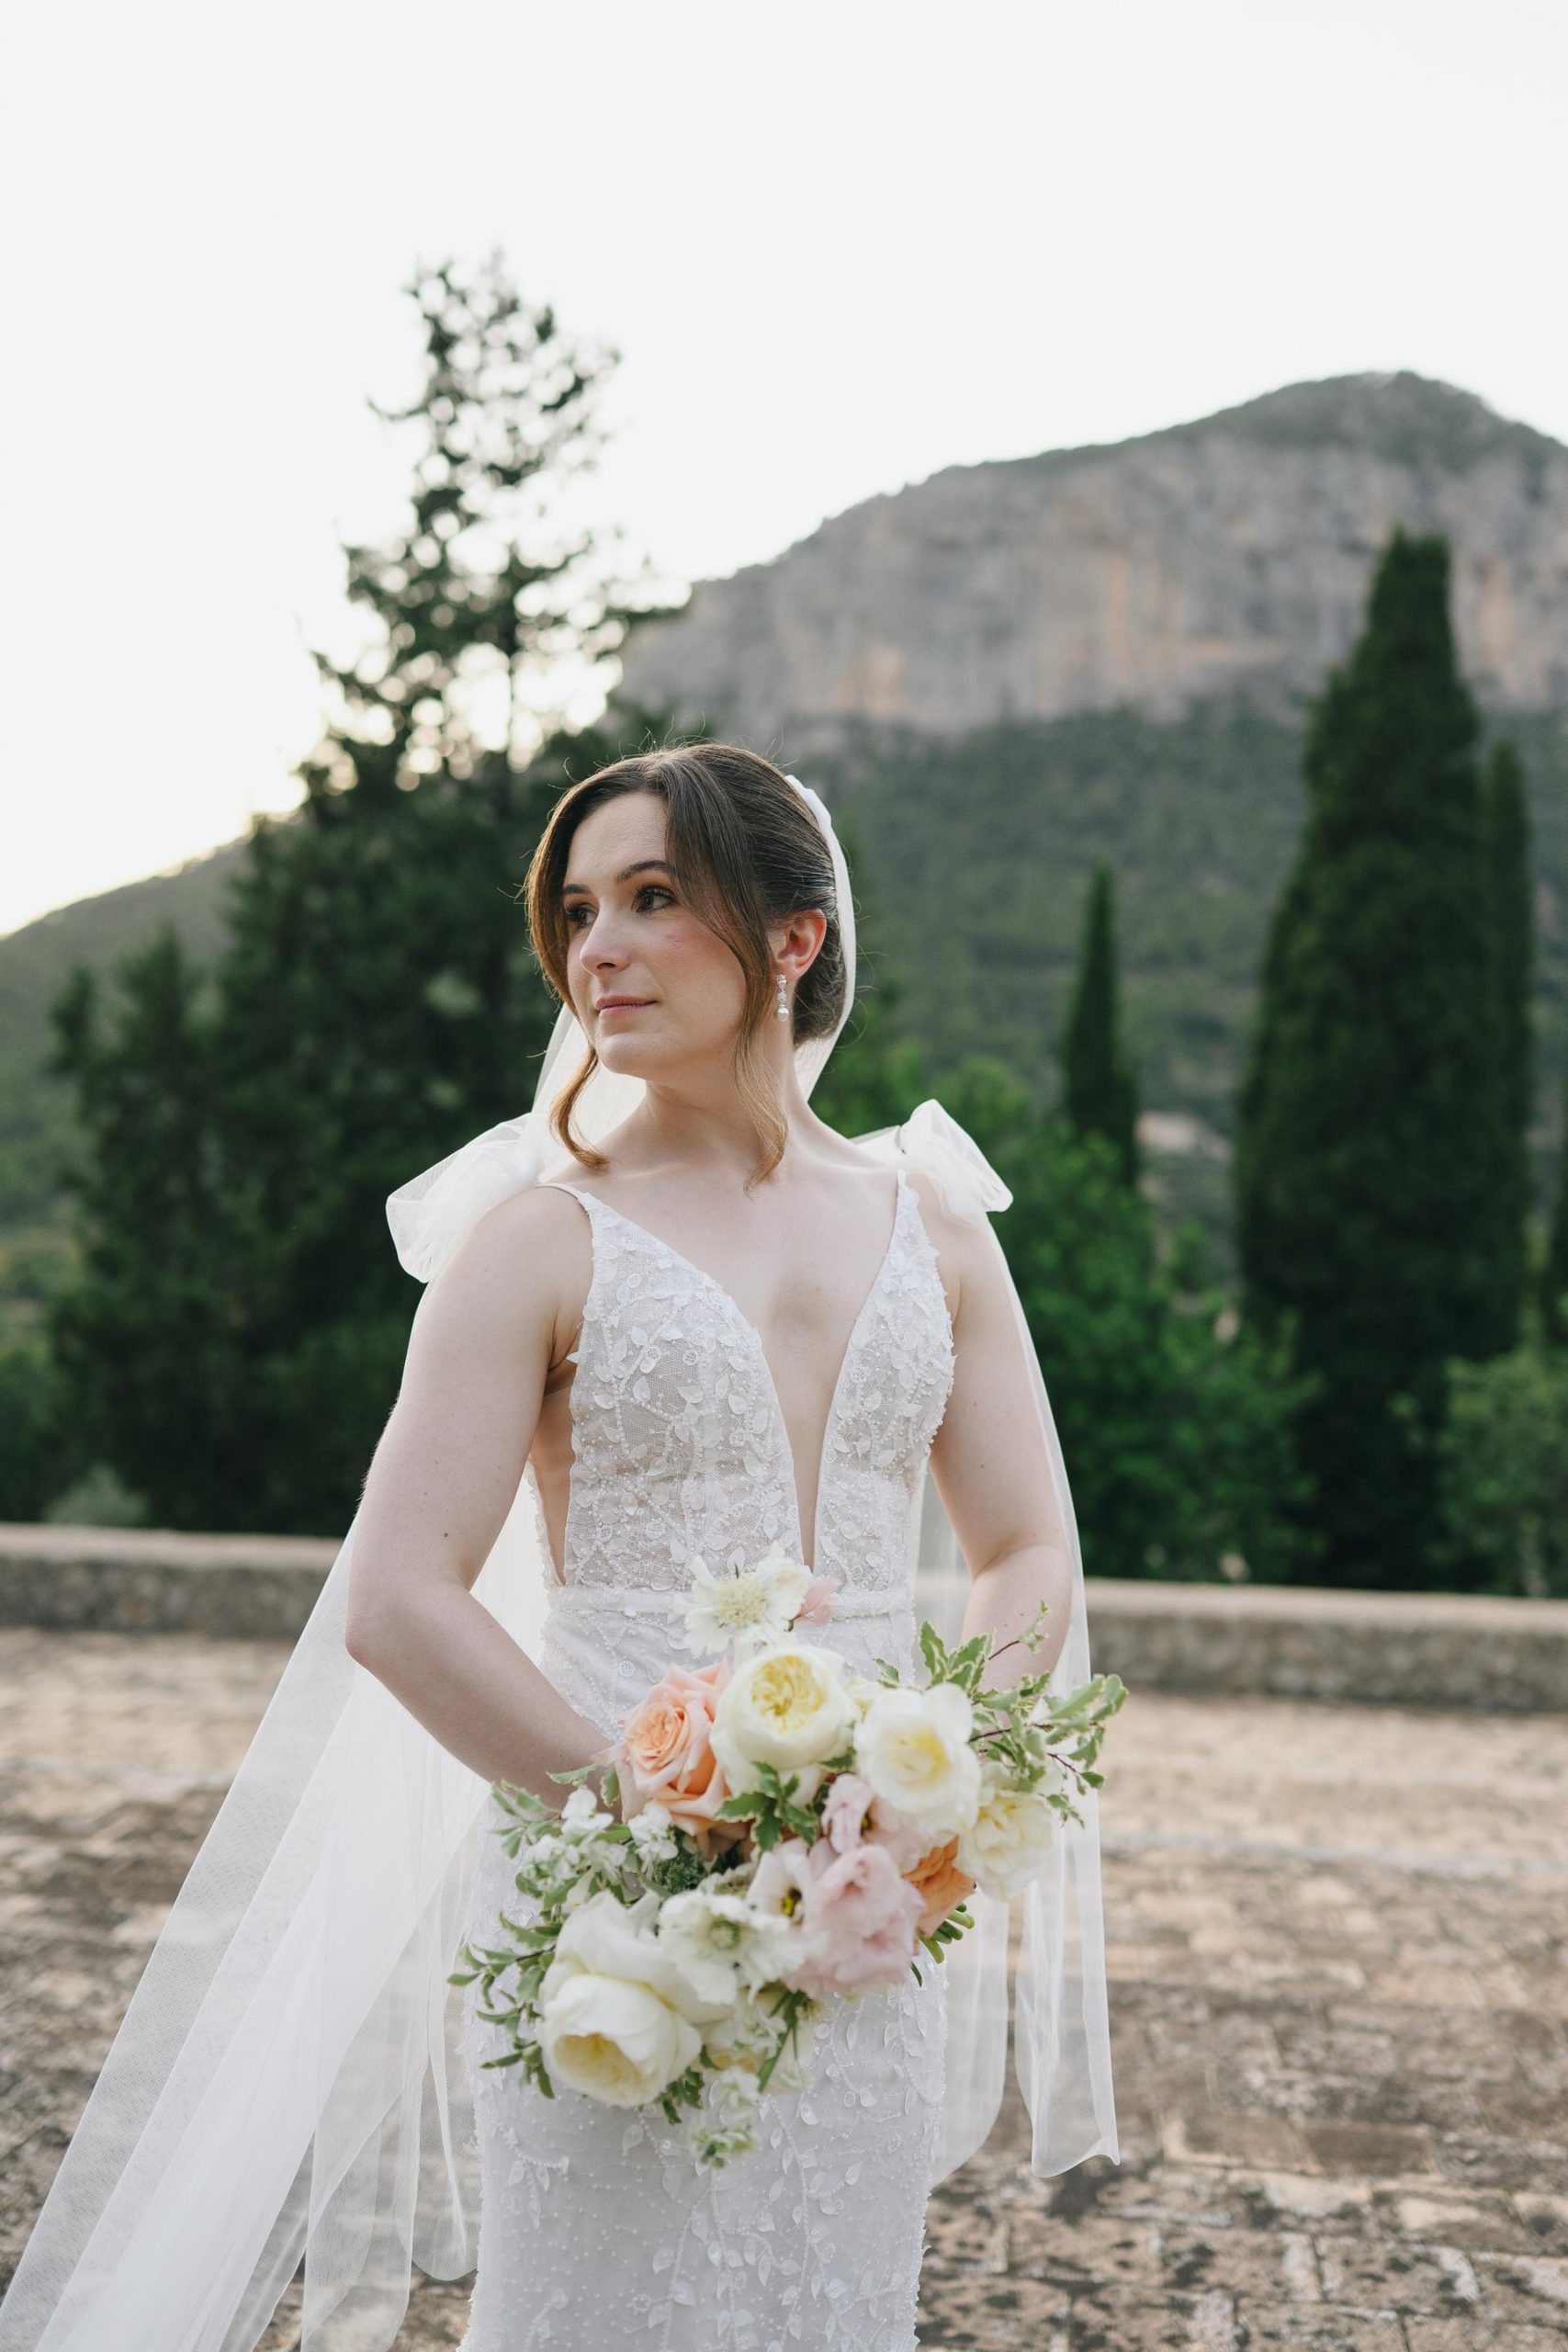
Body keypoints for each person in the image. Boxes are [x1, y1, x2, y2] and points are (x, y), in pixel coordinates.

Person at [0, 747, 1116, 2352]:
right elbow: (394, 1599)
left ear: (792, 940)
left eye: (654, 900)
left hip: (871, 1896)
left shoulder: (934, 1226)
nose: (598, 946)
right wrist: (637, 1818)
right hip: (607, 1901)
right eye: (580, 908)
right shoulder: (536, 1235)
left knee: (831, 2294)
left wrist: (929, 1798)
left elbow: (1024, 1548)